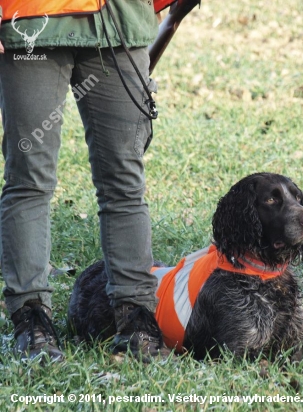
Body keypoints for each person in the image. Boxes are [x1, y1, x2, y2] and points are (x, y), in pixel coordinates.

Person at [0, 0, 172, 363]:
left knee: (125, 182)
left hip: (119, 22)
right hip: (32, 20)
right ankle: (31, 321)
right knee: (29, 179)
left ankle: (136, 319)